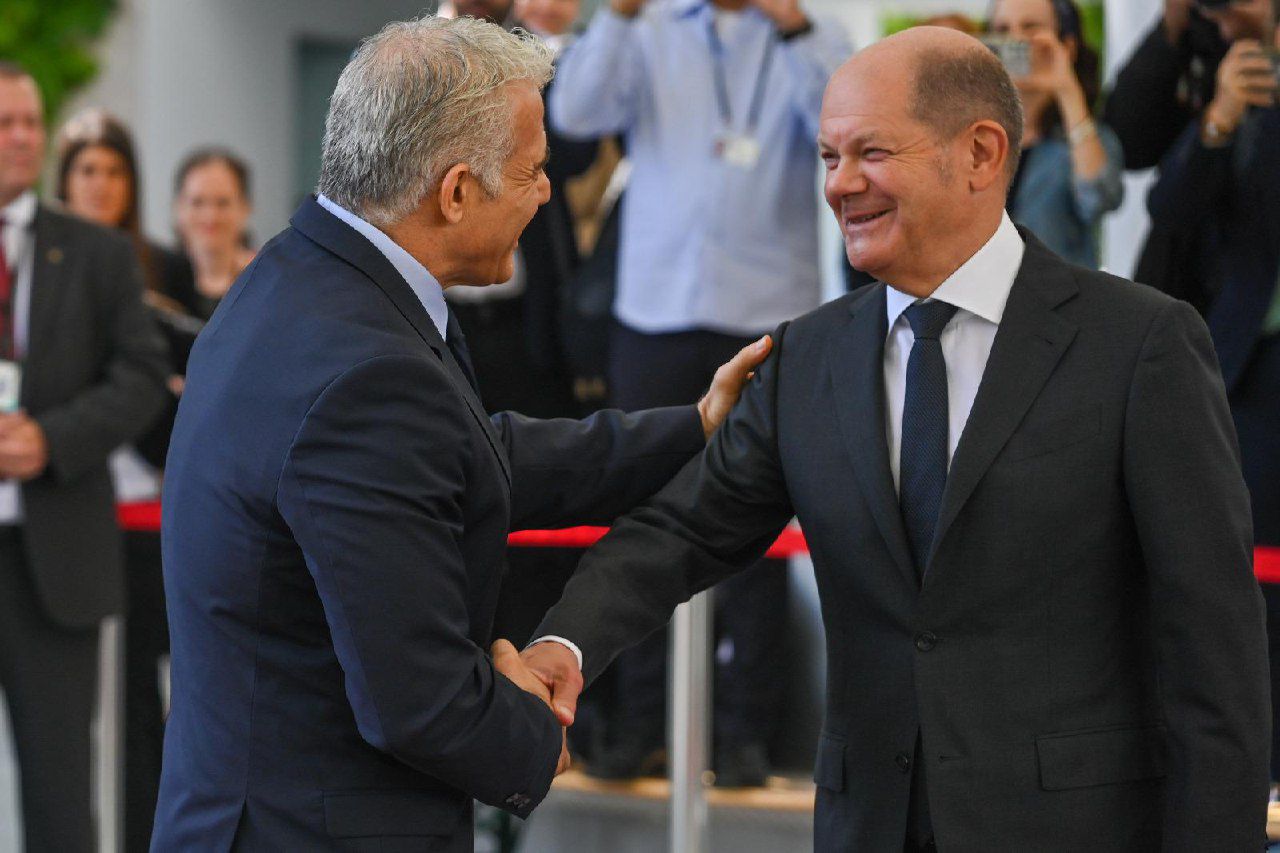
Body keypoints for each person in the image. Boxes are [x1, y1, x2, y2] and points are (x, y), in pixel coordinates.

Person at [519, 26, 1271, 850]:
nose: (841, 186)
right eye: (827, 157)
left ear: (981, 154)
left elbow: (1215, 653)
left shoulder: (1139, 344)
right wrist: (566, 640)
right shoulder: (805, 356)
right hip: (868, 823)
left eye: (870, 153)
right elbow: (684, 528)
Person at [150, 17, 766, 851]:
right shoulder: (367, 369)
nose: (548, 192)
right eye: (534, 170)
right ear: (455, 192)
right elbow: (422, 703)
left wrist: (692, 426)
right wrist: (533, 724)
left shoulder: (307, 279)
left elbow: (477, 454)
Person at [549, 0, 852, 786]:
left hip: (767, 307)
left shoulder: (812, 32)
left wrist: (789, 23)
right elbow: (575, 112)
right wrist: (613, 17)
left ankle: (743, 732)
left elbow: (839, 122)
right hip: (655, 309)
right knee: (642, 514)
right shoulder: (647, 27)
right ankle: (640, 719)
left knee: (757, 525)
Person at [0, 62, 169, 852]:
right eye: (5, 123)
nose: (23, 136)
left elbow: (141, 378)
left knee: (61, 790)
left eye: (31, 121)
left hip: (55, 559)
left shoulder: (96, 252)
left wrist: (52, 438)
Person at [54, 107, 199, 853]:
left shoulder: (161, 268)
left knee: (162, 699)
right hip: (72, 509)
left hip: (153, 508)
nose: (101, 185)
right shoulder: (41, 266)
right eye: (87, 170)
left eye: (114, 171)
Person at [1147, 13, 1280, 787]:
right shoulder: (1222, 63)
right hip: (1249, 365)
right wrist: (1218, 120)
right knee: (1250, 590)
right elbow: (1169, 210)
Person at [1104, 0, 1274, 310]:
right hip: (1192, 287)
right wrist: (1172, 26)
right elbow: (1130, 147)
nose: (1225, 19)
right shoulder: (1201, 35)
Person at [987, 0, 1124, 269]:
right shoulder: (977, 138)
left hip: (1055, 303)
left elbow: (1099, 197)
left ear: (1067, 46)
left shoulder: (1085, 140)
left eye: (1031, 28)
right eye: (1002, 30)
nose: (1015, 40)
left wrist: (1066, 87)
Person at [170, 148, 256, 320]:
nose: (210, 216)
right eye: (197, 202)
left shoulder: (265, 281)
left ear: (246, 208)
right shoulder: (155, 279)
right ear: (178, 208)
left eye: (222, 203)